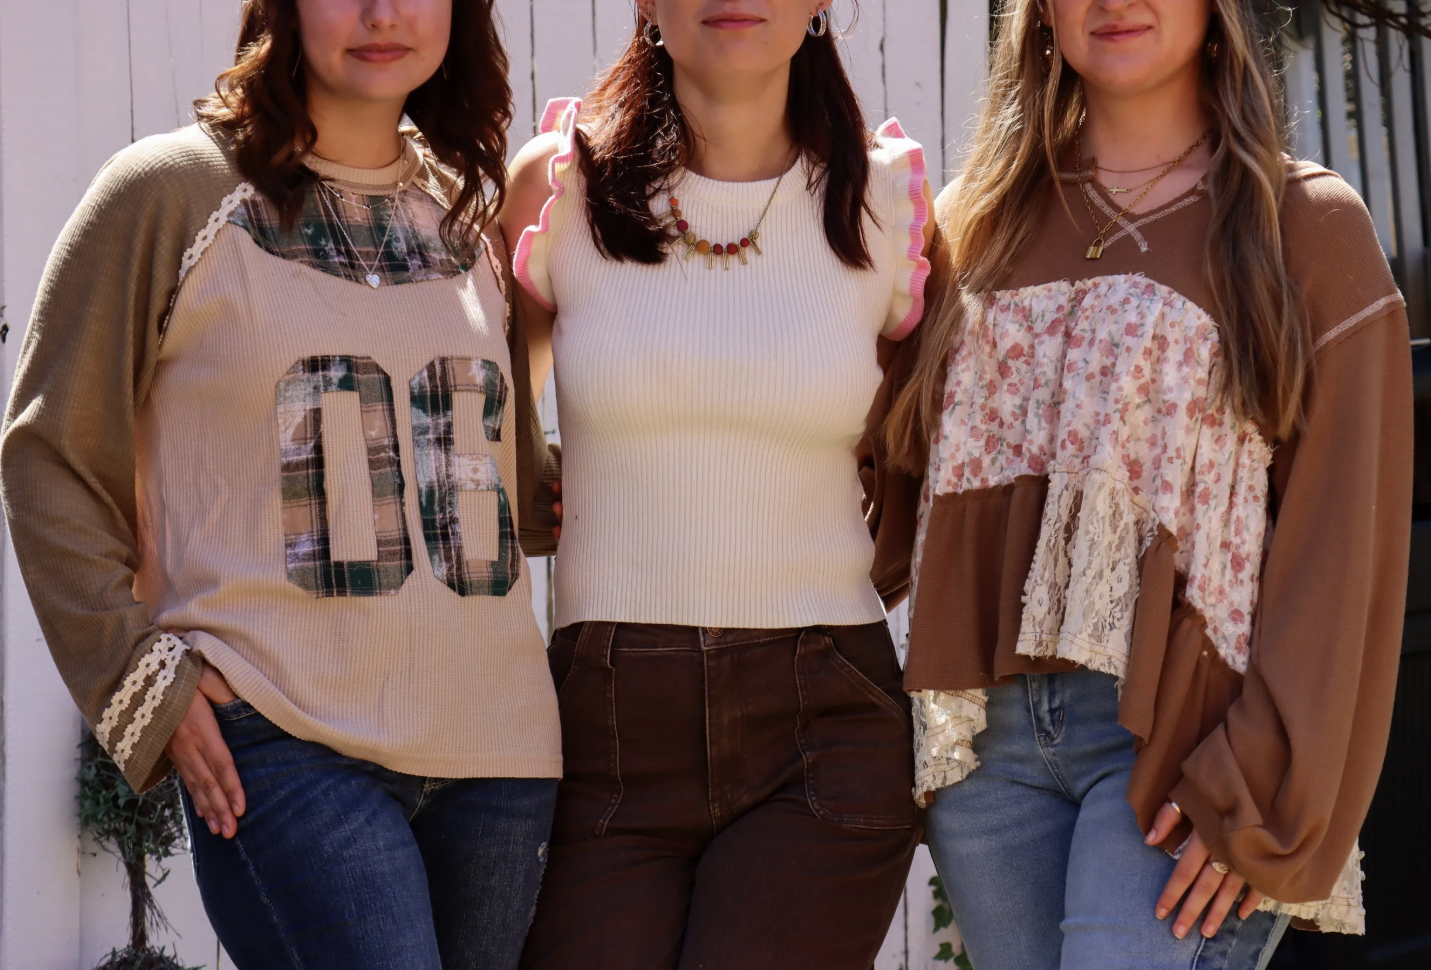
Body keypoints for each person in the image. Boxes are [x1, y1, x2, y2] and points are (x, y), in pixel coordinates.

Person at [0, 1, 562, 967]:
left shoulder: (467, 216)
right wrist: (143, 683)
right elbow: (50, 452)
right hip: (286, 742)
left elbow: (509, 489)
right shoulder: (168, 193)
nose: (384, 13)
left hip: (500, 757)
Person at [869, 0, 1414, 965]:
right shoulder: (967, 223)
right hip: (989, 761)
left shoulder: (1306, 225)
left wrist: (1259, 786)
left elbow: (1346, 550)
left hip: (1181, 754)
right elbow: (867, 472)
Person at [497, 1, 933, 967]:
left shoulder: (890, 200)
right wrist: (549, 496)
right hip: (599, 733)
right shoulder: (556, 189)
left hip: (823, 726)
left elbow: (908, 451)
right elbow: (479, 421)